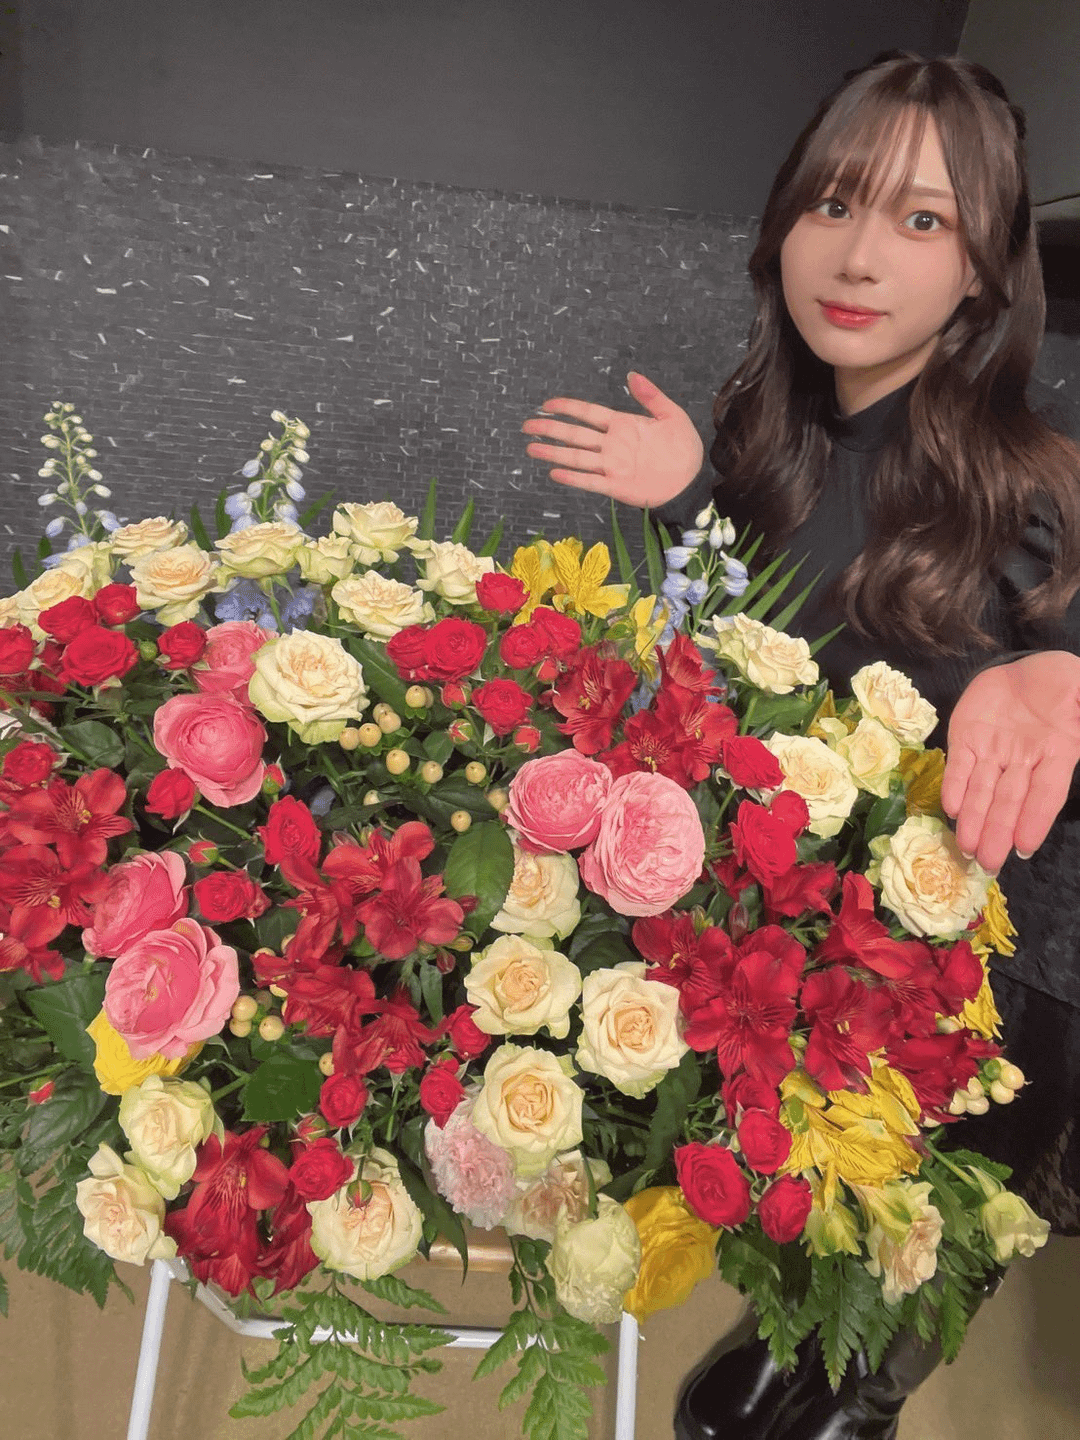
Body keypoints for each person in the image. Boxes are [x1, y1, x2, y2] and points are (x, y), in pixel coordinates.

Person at [520, 50, 1080, 1440]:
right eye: (834, 202)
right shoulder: (767, 442)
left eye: (923, 220)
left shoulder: (1037, 474)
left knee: (841, 1376)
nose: (860, 255)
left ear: (983, 272)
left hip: (1006, 997)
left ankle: (860, 1390)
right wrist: (698, 503)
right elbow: (790, 653)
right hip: (834, 973)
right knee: (746, 1382)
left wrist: (1063, 663)